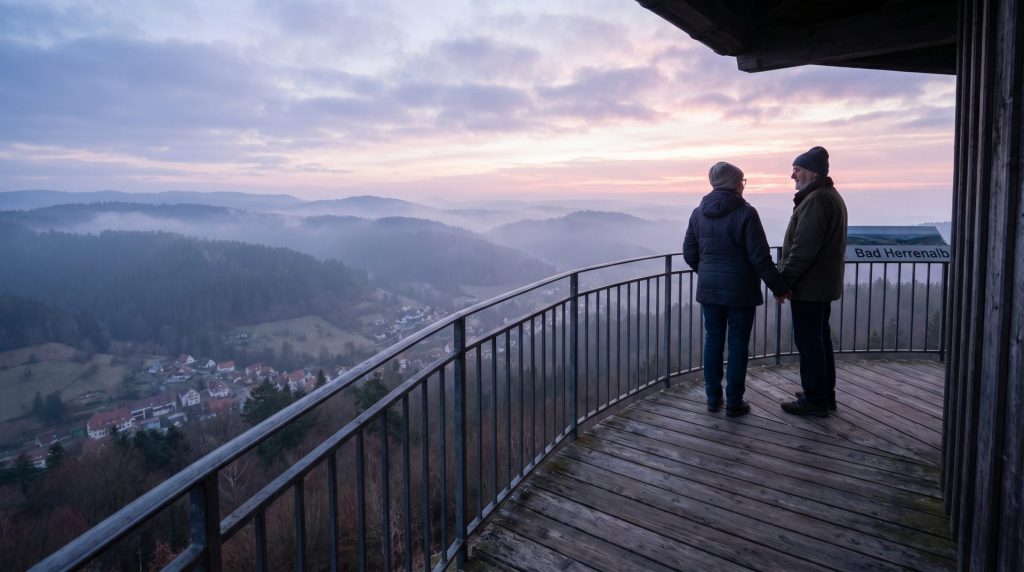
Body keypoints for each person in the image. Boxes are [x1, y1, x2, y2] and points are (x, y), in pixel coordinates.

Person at [683, 162, 790, 418]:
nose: (744, 185)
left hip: (710, 291)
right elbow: (760, 257)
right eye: (743, 181)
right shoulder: (746, 213)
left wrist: (708, 273)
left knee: (713, 342)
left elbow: (689, 253)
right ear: (735, 183)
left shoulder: (698, 213)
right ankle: (734, 403)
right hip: (740, 291)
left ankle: (712, 399)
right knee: (738, 345)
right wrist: (780, 287)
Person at [777, 146, 848, 417]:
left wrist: (783, 282)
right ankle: (823, 393)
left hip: (810, 286)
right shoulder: (827, 196)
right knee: (819, 340)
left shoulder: (817, 200)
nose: (792, 175)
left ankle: (815, 398)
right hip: (821, 284)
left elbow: (803, 250)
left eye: (796, 169)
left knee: (809, 342)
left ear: (813, 171)